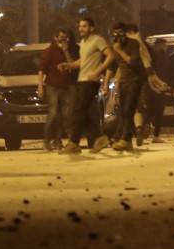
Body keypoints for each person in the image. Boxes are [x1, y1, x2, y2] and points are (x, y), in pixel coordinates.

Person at [59, 17, 115, 155]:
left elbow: (110, 56)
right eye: (80, 26)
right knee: (83, 112)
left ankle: (74, 143)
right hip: (82, 80)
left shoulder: (97, 40)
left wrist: (97, 71)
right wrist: (68, 65)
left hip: (91, 82)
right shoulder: (83, 42)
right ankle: (99, 137)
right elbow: (82, 61)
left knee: (77, 111)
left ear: (92, 28)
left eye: (84, 26)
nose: (81, 29)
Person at [103, 23, 143, 151]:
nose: (118, 35)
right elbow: (111, 67)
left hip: (134, 81)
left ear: (125, 32)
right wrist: (105, 84)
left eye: (120, 32)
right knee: (122, 111)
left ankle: (124, 138)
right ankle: (126, 139)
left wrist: (120, 50)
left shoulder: (133, 44)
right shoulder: (114, 47)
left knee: (129, 109)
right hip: (122, 82)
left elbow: (134, 62)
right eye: (115, 33)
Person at [38, 28, 74, 151]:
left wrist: (66, 51)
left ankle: (58, 141)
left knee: (64, 115)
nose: (63, 40)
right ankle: (46, 140)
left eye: (65, 38)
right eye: (61, 37)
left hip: (65, 86)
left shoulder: (68, 50)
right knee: (53, 114)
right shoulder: (49, 51)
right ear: (55, 37)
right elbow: (41, 69)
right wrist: (40, 86)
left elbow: (72, 65)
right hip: (52, 86)